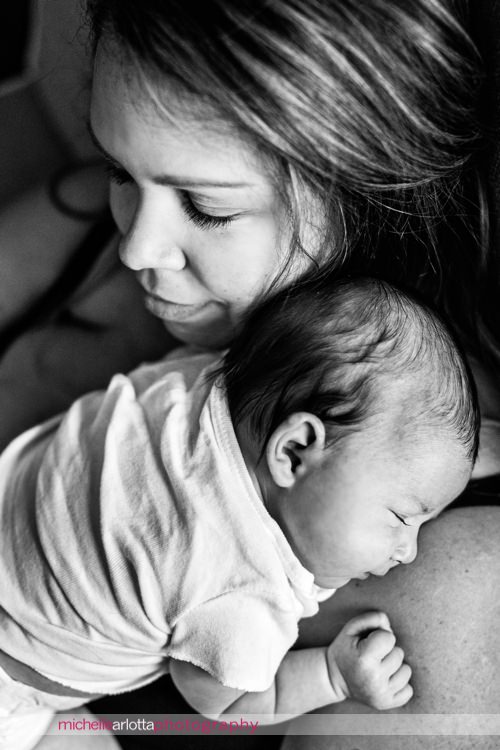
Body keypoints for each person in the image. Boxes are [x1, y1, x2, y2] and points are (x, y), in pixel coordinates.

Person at [0, 1, 498, 749]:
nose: (137, 247)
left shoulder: (403, 520)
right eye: (119, 168)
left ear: (357, 192)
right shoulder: (87, 227)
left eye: (204, 206)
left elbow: (224, 700)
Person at [0, 276, 477, 748]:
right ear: (293, 451)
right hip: (14, 690)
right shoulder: (244, 589)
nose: (409, 551)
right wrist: (332, 675)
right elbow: (222, 704)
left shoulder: (200, 379)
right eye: (401, 517)